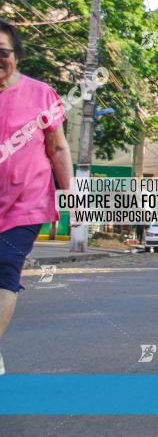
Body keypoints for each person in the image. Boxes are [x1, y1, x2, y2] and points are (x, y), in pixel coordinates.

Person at [0, 19, 74, 375]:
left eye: (2, 52)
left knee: (4, 265)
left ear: (16, 55)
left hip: (26, 202)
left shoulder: (40, 94)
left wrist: (70, 195)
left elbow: (57, 148)